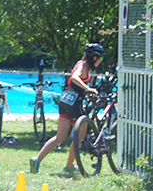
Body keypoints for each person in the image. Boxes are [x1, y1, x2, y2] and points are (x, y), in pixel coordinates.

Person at [30, 43, 104, 175]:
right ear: (94, 57)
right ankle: (69, 166)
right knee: (80, 137)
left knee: (60, 136)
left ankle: (37, 160)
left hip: (65, 101)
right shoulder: (83, 66)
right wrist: (88, 89)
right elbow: (75, 77)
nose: (101, 61)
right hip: (74, 103)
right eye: (100, 58)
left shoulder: (79, 63)